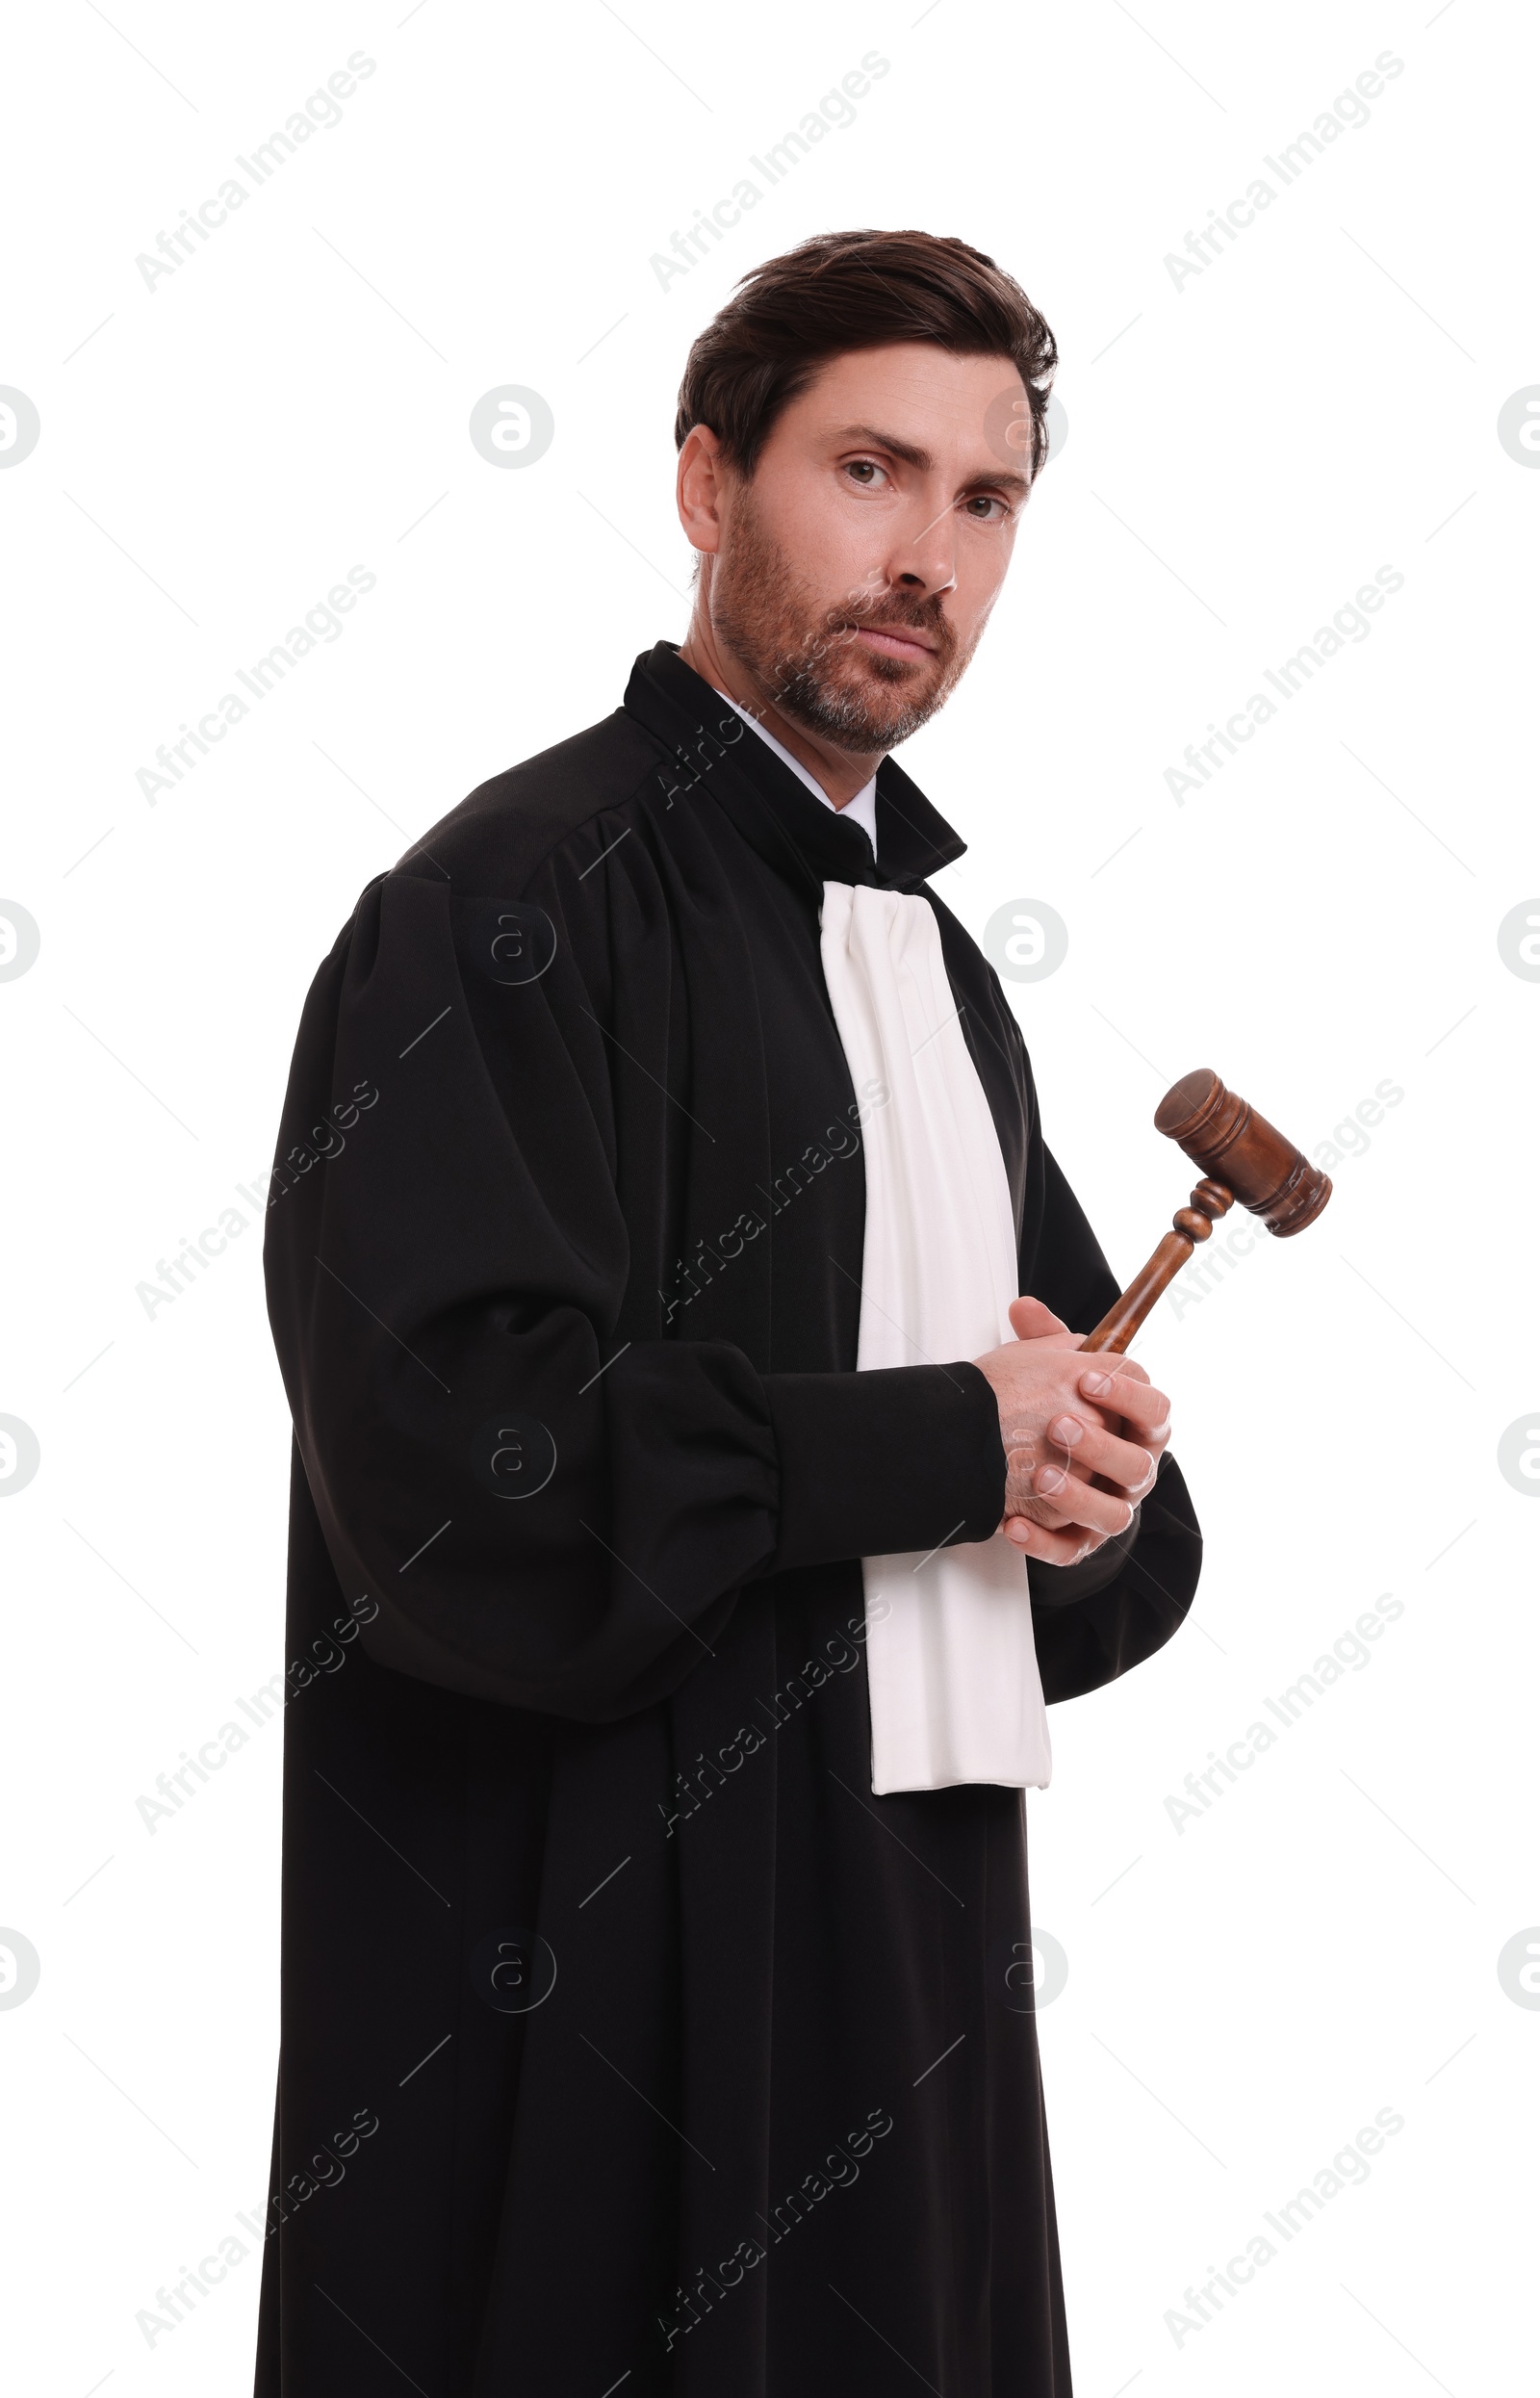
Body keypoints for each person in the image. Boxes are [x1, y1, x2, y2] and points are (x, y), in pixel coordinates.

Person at [253, 226, 1201, 2397]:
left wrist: (1092, 1490)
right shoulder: (504, 905)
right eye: (866, 470)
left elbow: (1033, 1460)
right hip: (579, 1999)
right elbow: (455, 1478)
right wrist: (947, 1441)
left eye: (983, 502)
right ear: (705, 485)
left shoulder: (931, 967)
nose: (925, 559)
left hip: (911, 1970)